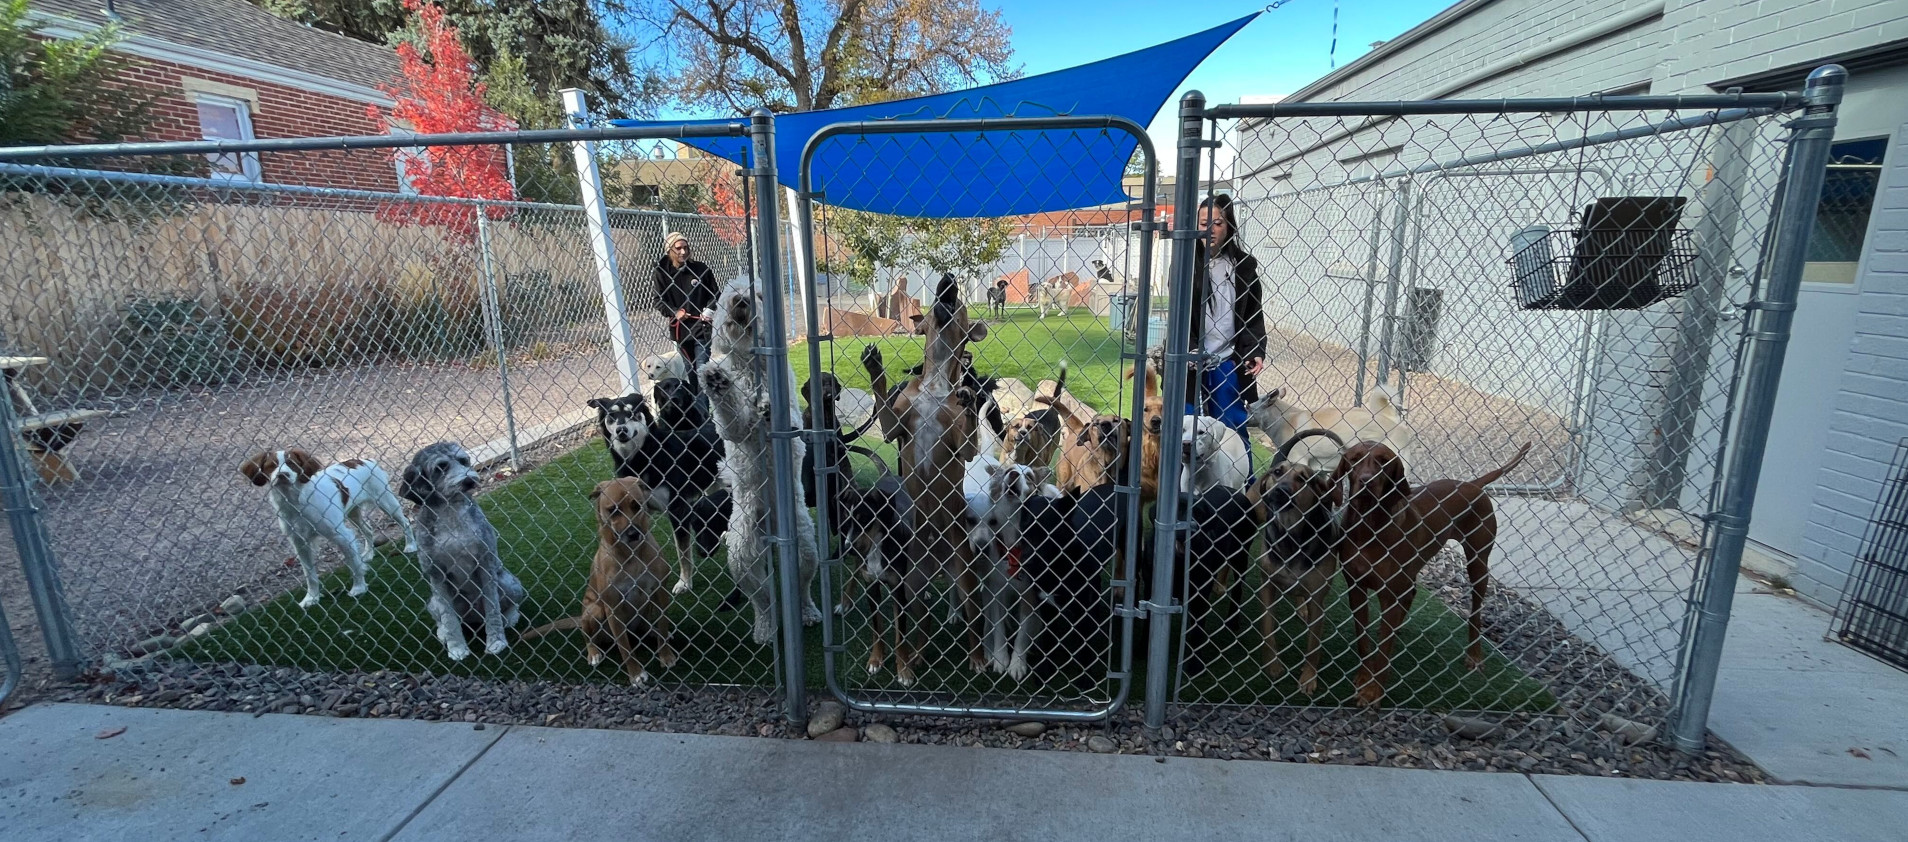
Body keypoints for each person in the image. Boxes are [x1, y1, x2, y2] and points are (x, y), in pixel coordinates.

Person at [1187, 194, 1267, 448]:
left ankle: (1241, 473)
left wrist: (1254, 350)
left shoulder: (1243, 267)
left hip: (1228, 361)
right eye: (1203, 224)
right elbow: (1180, 317)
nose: (1209, 229)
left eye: (1218, 223)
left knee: (1231, 428)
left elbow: (1253, 314)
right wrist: (1190, 348)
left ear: (1229, 226)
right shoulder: (1185, 265)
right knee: (1187, 429)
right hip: (1191, 361)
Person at [652, 231, 719, 366]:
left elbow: (715, 294)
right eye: (678, 248)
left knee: (702, 365)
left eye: (685, 247)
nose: (683, 252)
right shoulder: (661, 273)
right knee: (689, 369)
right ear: (670, 250)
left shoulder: (701, 269)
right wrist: (675, 312)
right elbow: (658, 300)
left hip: (701, 327)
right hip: (681, 330)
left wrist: (709, 310)